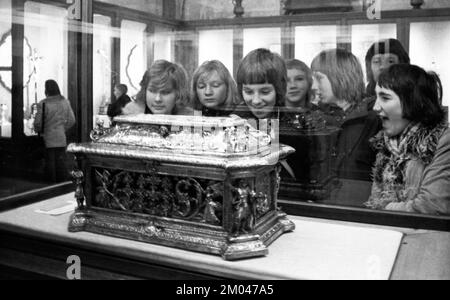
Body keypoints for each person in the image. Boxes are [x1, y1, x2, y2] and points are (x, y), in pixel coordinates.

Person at [365, 64, 450, 215]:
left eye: (385, 97)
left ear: (413, 102)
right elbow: (374, 200)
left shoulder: (442, 140)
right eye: (376, 97)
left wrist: (385, 208)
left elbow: (432, 206)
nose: (375, 107)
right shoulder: (387, 144)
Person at [311, 48, 381, 181]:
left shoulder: (374, 117)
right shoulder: (317, 117)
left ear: (340, 77)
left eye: (319, 78)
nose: (313, 85)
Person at [34, 79, 76, 183]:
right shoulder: (65, 102)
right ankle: (62, 184)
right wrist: (62, 128)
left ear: (46, 89)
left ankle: (51, 185)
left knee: (50, 163)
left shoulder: (43, 103)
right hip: (61, 136)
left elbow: (38, 123)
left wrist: (38, 130)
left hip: (47, 137)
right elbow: (72, 120)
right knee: (61, 162)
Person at [235, 48, 286, 120]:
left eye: (265, 92)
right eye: (248, 92)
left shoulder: (291, 120)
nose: (256, 101)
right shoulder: (235, 122)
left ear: (279, 90)